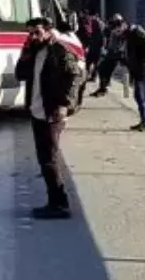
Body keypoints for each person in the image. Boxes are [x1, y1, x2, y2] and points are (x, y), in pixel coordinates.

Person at [14, 17, 84, 220]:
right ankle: (54, 201)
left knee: (50, 159)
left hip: (52, 112)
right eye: (30, 33)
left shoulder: (59, 50)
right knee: (45, 159)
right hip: (37, 111)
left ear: (48, 30)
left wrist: (65, 105)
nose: (33, 36)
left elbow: (75, 78)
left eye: (37, 32)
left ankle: (60, 204)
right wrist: (25, 52)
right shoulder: (35, 51)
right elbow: (20, 75)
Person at [124, 23, 145, 130]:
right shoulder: (134, 41)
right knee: (141, 99)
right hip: (141, 73)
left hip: (144, 74)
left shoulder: (141, 40)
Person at [92, 14, 127, 97]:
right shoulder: (113, 28)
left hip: (117, 53)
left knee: (123, 72)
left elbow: (122, 37)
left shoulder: (122, 28)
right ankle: (103, 88)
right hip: (111, 52)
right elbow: (107, 33)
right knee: (102, 69)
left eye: (116, 21)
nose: (114, 23)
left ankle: (125, 92)